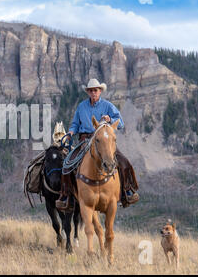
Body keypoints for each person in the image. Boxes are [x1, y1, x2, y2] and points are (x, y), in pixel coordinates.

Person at [56, 78, 139, 210]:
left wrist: (110, 119)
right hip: (85, 140)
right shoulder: (81, 106)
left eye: (95, 90)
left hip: (104, 141)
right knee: (67, 164)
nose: (93, 92)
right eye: (90, 90)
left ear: (100, 91)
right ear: (88, 92)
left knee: (123, 162)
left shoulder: (108, 106)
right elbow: (75, 124)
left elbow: (121, 123)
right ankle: (66, 196)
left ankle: (127, 192)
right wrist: (71, 132)